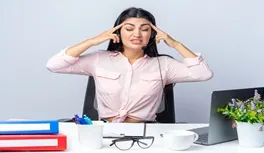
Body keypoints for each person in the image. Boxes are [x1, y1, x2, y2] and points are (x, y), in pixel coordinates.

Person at [46, 7, 213, 123]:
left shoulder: (164, 64)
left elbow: (203, 73)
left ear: (152, 34)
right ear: (118, 32)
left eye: (145, 29)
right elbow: (54, 65)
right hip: (105, 133)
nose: (137, 34)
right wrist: (92, 41)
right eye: (129, 28)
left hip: (146, 133)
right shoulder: (99, 59)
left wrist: (175, 44)